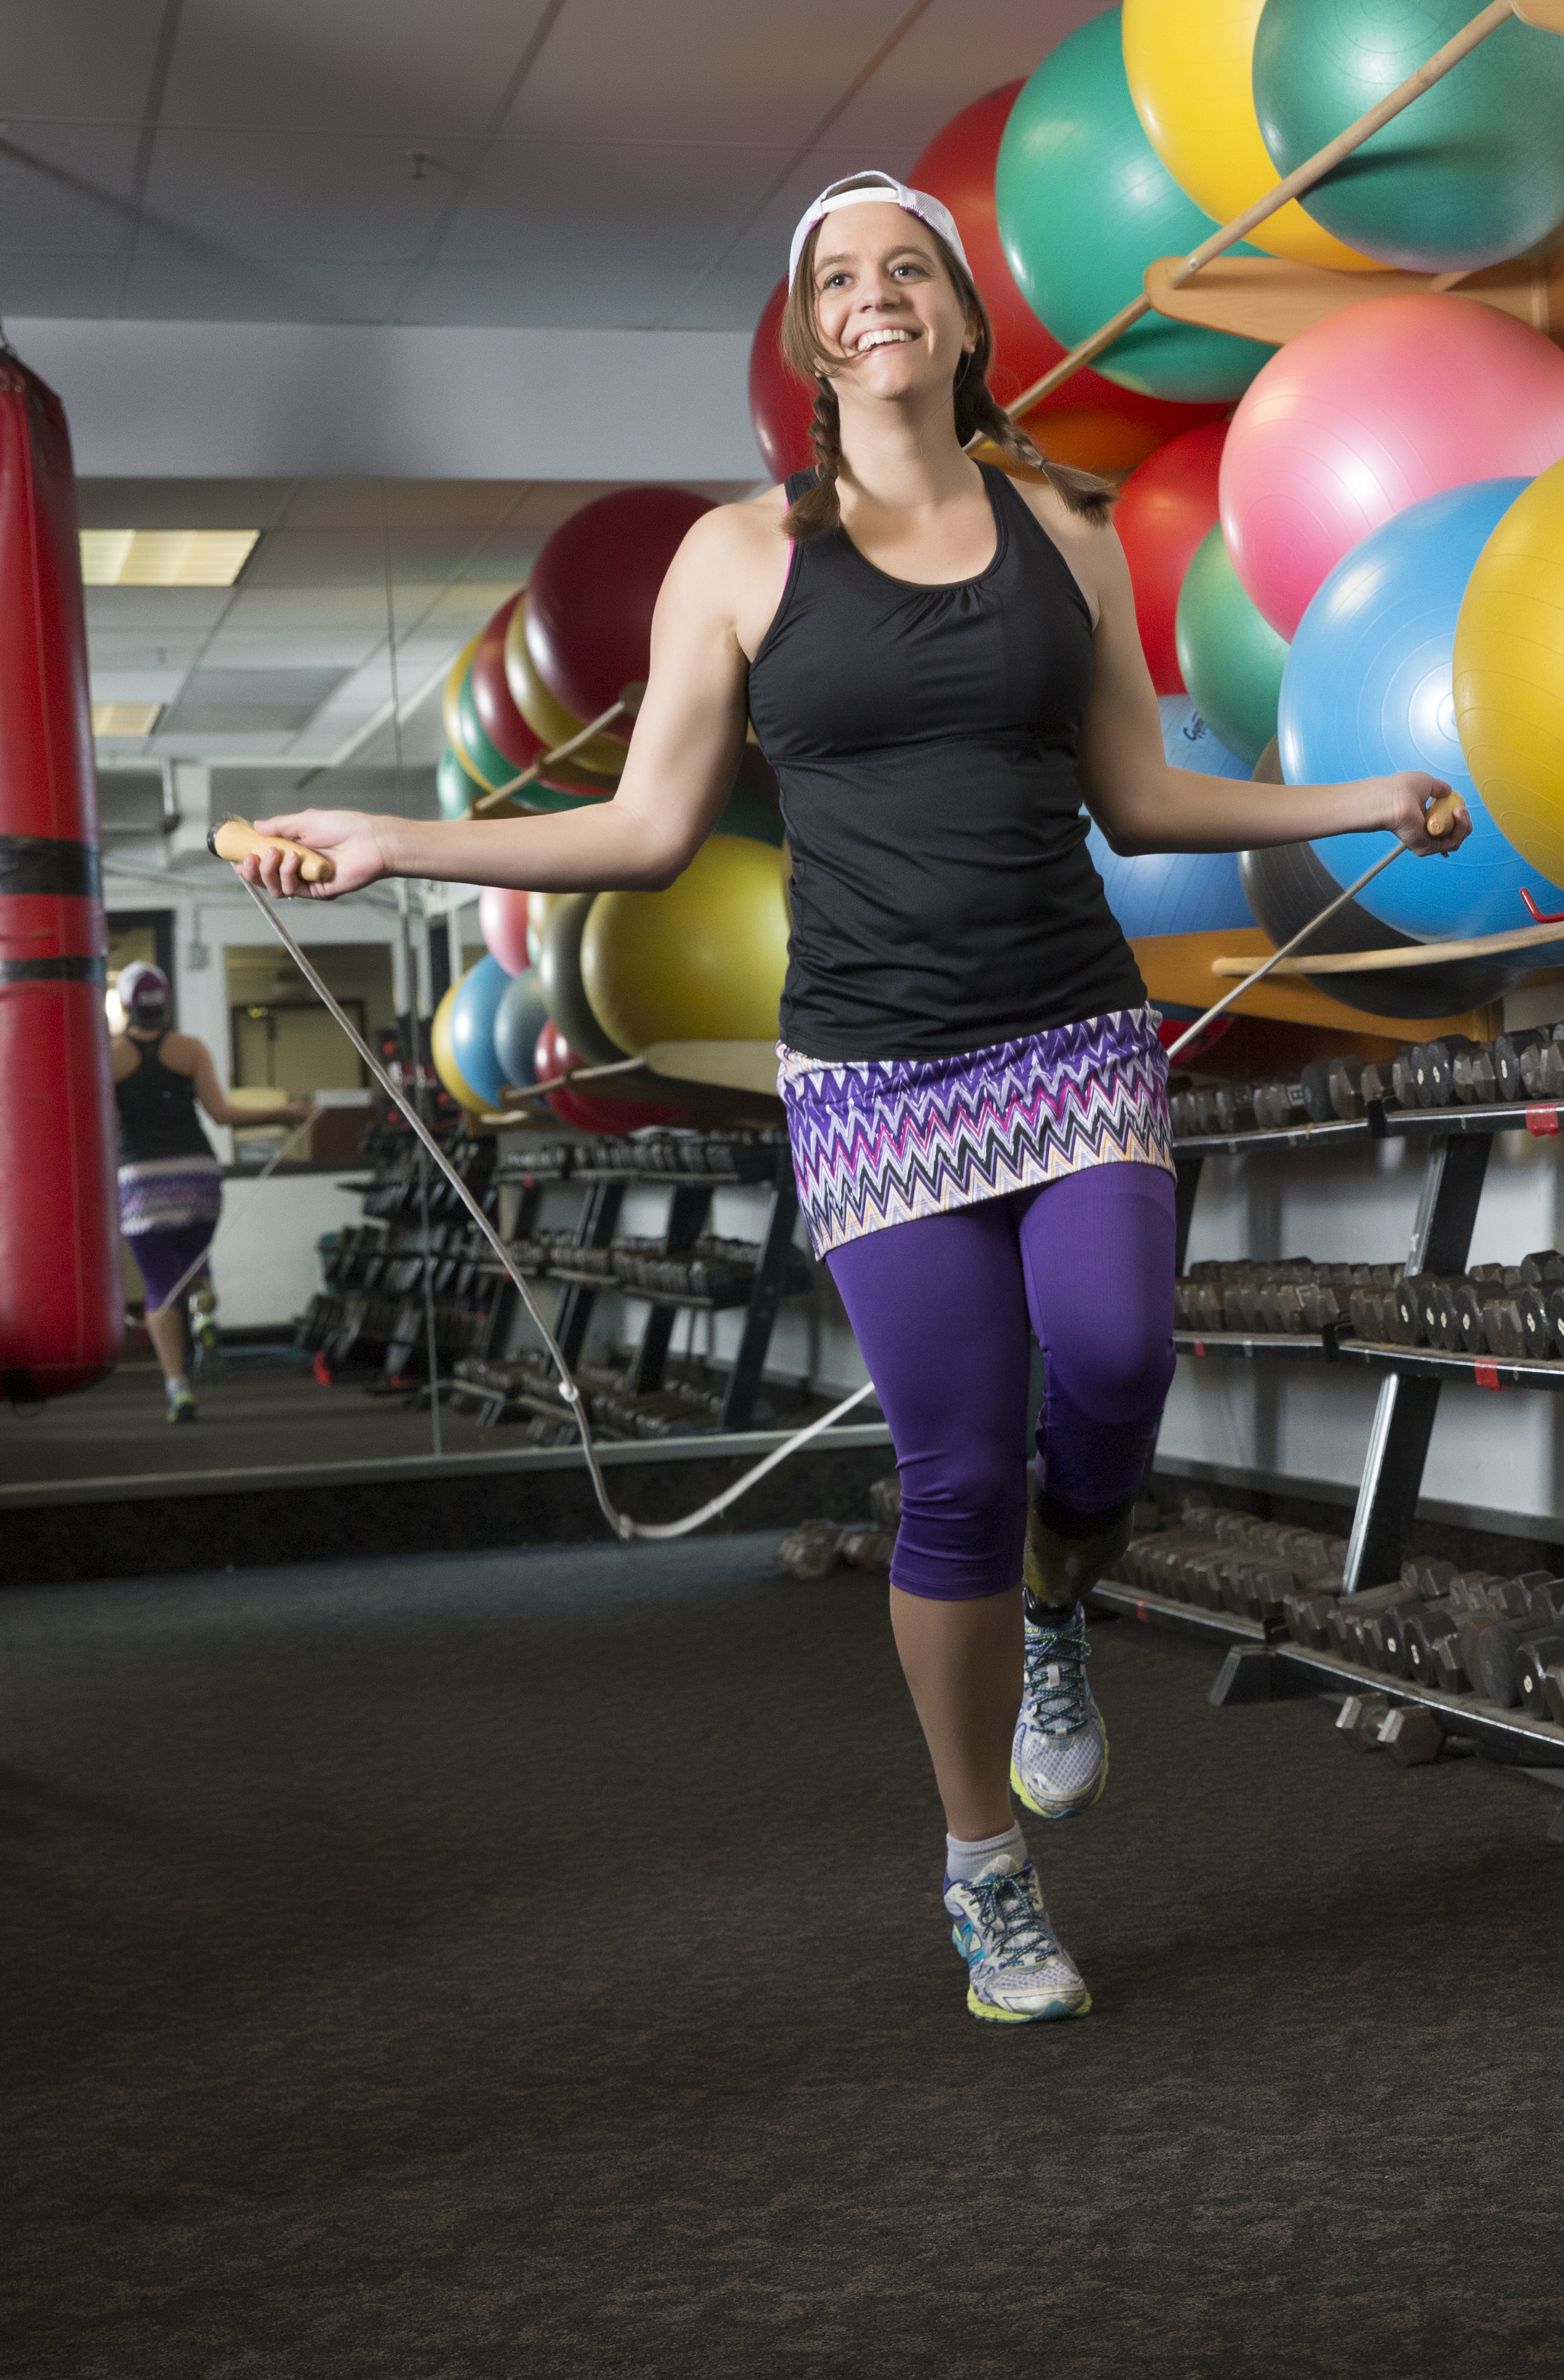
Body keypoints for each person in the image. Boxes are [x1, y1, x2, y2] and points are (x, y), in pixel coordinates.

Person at [226, 172, 1465, 2027]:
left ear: (964, 321)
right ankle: (986, 1864)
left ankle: (1063, 1606)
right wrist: (390, 839)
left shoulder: (1067, 526)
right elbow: (647, 831)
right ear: (816, 339)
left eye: (909, 270)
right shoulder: (737, 557)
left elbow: (1138, 795)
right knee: (956, 1466)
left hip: (1069, 1031)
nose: (875, 297)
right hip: (876, 1073)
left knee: (1118, 1361)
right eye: (839, 279)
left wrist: (1351, 802)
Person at [107, 961, 312, 1422]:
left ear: (125, 1005)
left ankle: (178, 1388)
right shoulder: (191, 1049)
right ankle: (204, 1314)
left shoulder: (111, 1057)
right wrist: (286, 1112)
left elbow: (97, 1125)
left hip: (143, 1179)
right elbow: (221, 1113)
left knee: (161, 1286)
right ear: (166, 1002)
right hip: (197, 1173)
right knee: (196, 1263)